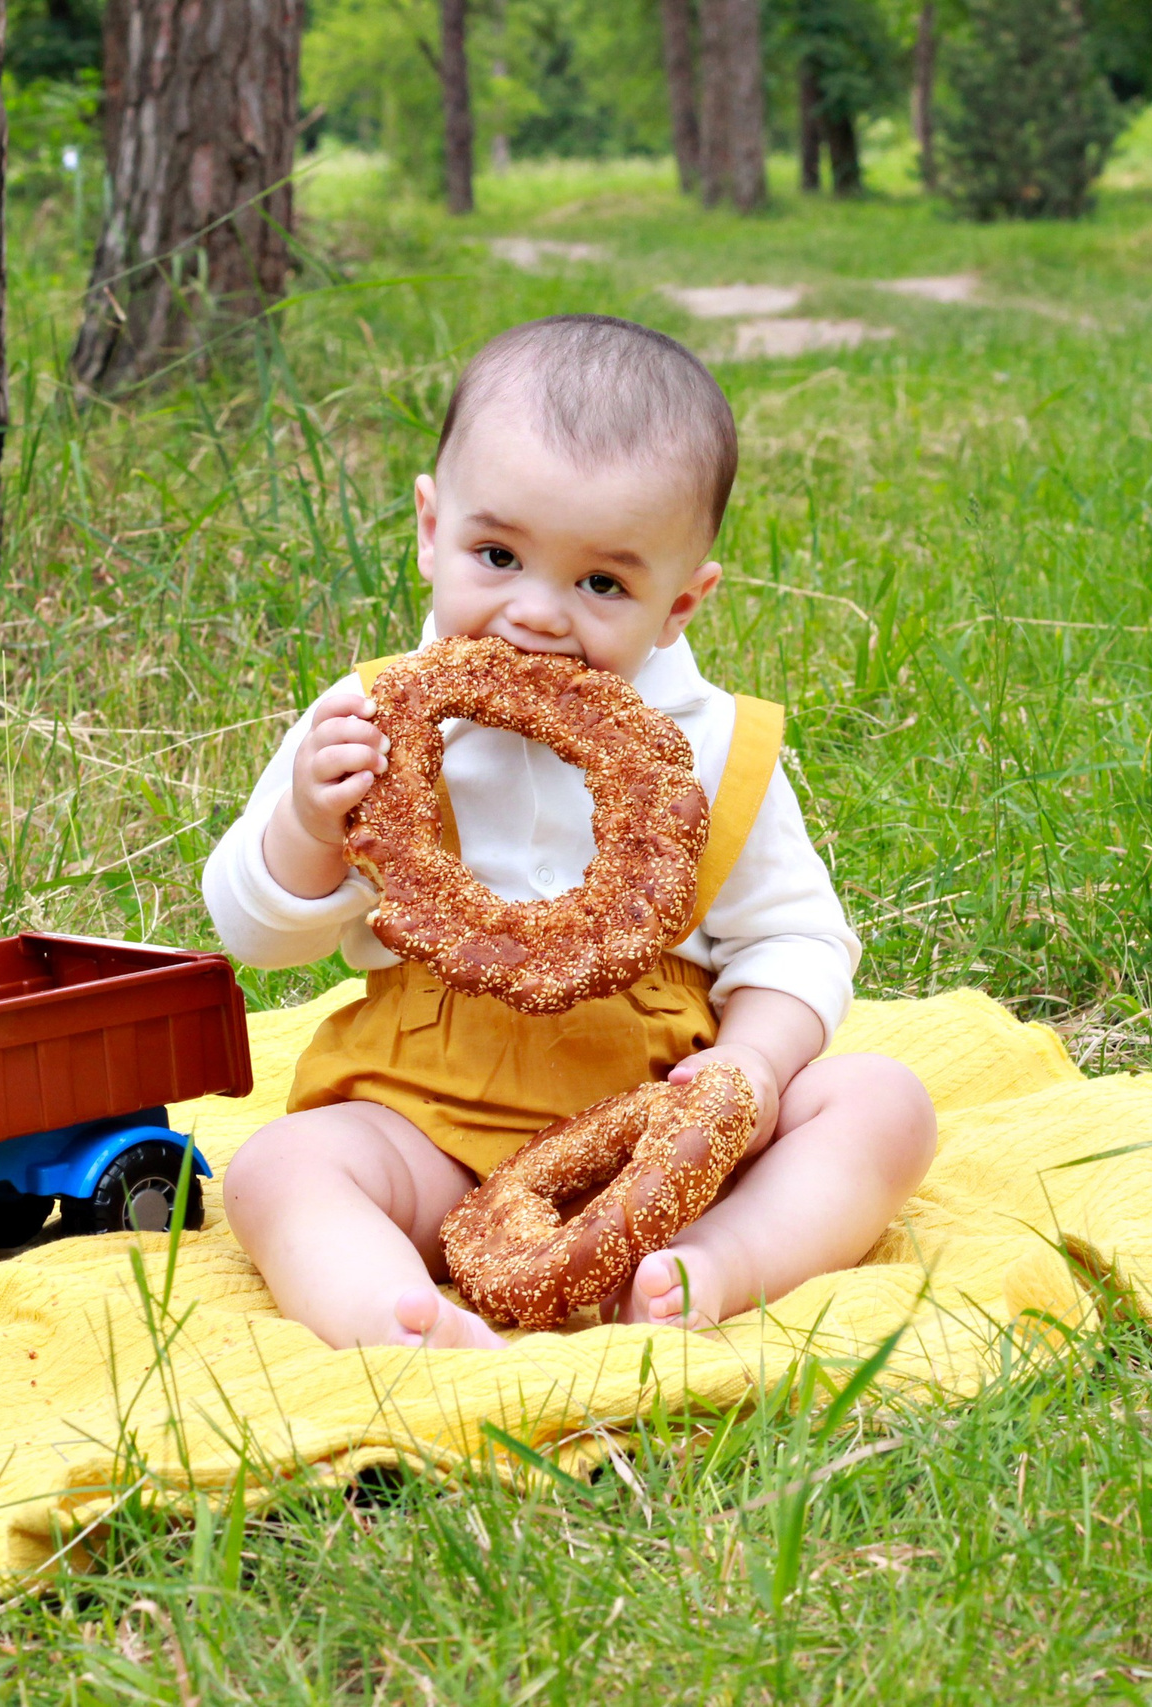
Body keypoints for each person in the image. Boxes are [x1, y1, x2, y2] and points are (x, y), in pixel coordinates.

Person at [202, 314, 936, 1350]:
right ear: (428, 526)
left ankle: (715, 1261)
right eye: (496, 554)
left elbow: (797, 942)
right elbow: (253, 933)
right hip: (426, 1120)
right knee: (279, 1169)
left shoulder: (716, 751)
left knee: (883, 1102)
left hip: (660, 1134)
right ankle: (397, 1321)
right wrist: (305, 824)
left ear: (681, 601)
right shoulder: (366, 724)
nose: (536, 615)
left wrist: (754, 1069)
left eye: (602, 583)